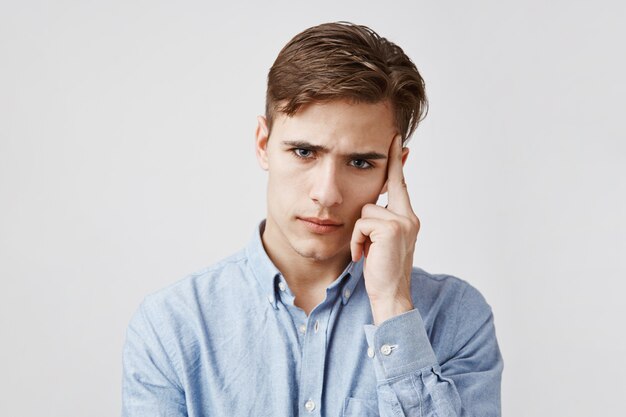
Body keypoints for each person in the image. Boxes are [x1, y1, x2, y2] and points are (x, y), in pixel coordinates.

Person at [121, 21, 503, 417]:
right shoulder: (171, 326)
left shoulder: (456, 318)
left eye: (359, 162)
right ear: (263, 144)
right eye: (304, 152)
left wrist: (392, 306)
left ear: (394, 169)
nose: (327, 193)